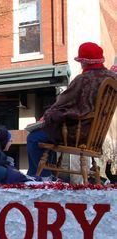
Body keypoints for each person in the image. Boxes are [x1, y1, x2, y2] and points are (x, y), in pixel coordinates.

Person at [27, 42, 117, 178]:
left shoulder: (83, 79)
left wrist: (48, 116)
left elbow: (61, 104)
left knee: (34, 137)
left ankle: (40, 178)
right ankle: (48, 176)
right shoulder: (112, 78)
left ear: (83, 62)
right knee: (47, 134)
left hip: (77, 135)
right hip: (95, 137)